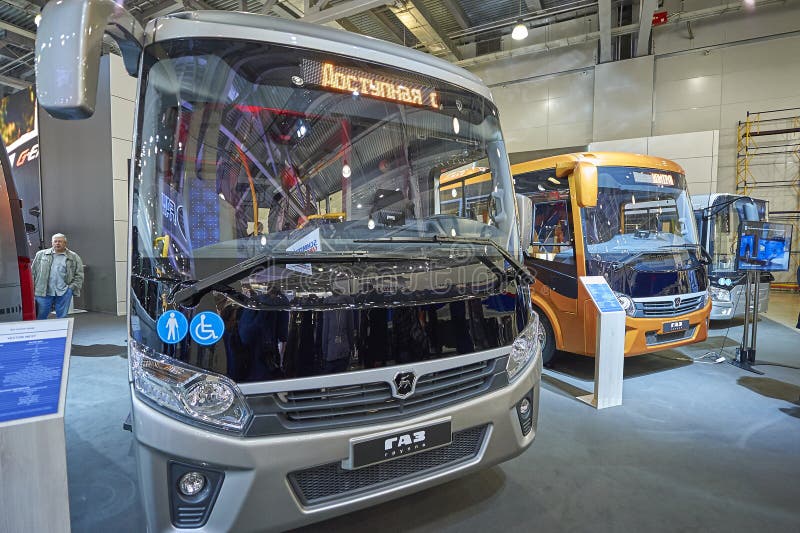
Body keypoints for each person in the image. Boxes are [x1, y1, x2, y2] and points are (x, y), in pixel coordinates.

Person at [32, 233, 84, 319]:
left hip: (64, 291)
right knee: (40, 315)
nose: (57, 243)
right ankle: (41, 332)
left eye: (60, 241)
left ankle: (61, 332)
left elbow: (79, 275)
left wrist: (71, 288)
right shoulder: (41, 255)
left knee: (62, 317)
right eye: (55, 241)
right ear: (52, 243)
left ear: (65, 243)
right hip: (43, 291)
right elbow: (33, 272)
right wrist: (32, 288)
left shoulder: (73, 257)